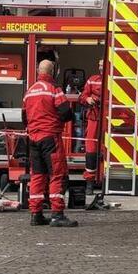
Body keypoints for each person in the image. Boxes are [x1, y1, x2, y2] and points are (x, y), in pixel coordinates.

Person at [22, 59, 78, 227]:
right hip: (50, 138)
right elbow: (66, 113)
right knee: (57, 175)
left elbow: (24, 118)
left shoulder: (29, 92)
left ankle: (36, 214)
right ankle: (57, 214)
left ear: (39, 72)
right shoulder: (54, 90)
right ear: (52, 72)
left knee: (37, 176)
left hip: (33, 139)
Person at [79, 59, 104, 184]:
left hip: (109, 119)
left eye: (103, 65)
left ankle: (104, 178)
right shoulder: (93, 79)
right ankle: (90, 180)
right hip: (94, 117)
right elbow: (82, 96)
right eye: (99, 65)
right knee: (91, 147)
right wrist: (88, 99)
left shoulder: (115, 80)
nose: (101, 68)